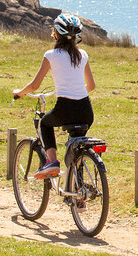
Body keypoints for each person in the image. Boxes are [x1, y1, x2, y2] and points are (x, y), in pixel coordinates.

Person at [13, 12, 97, 178]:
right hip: (86, 111)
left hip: (64, 108)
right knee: (76, 151)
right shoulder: (83, 55)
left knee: (45, 124)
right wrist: (77, 91)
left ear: (56, 33)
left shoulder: (50, 55)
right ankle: (77, 194)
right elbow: (92, 86)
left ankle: (51, 162)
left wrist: (19, 93)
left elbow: (35, 85)